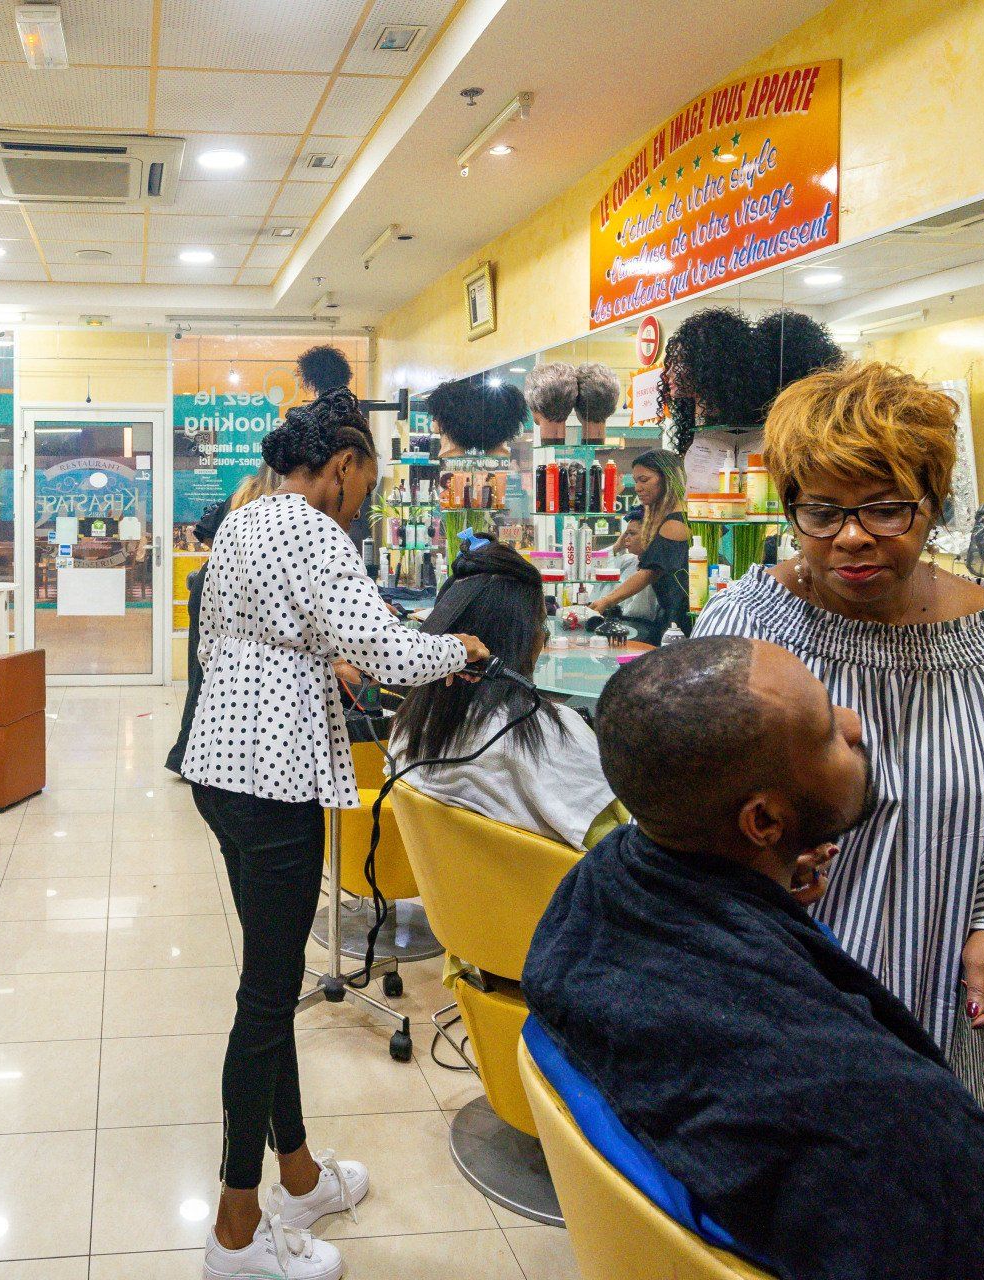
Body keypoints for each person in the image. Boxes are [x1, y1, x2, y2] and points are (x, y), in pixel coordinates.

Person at [522, 636, 984, 1280]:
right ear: (764, 822)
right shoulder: (868, 1107)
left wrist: (762, 891)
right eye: (826, 732)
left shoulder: (601, 887)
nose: (855, 725)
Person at [694, 360, 984, 1098]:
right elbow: (687, 804)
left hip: (934, 987)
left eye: (885, 510)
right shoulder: (746, 628)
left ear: (934, 504)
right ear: (790, 509)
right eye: (822, 512)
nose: (851, 537)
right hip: (776, 986)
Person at [183, 394, 488, 1280]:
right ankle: (235, 1230)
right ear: (344, 465)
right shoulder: (317, 532)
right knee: (264, 1003)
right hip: (273, 780)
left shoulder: (242, 522)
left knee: (270, 982)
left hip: (220, 769)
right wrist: (461, 650)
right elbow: (390, 652)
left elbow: (232, 643)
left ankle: (300, 1175)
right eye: (367, 486)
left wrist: (319, 658)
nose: (362, 504)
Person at [390, 543, 619, 850]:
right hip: (542, 882)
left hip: (446, 882)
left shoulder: (408, 726)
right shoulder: (548, 734)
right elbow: (623, 848)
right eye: (542, 627)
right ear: (521, 639)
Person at [165, 468, 279, 776]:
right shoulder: (280, 507)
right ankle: (204, 757)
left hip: (213, 585)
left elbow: (203, 531)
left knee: (202, 675)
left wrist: (226, 556)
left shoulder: (239, 497)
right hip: (234, 592)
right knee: (223, 677)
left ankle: (191, 755)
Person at [585, 449, 690, 643]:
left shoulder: (676, 523)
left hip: (681, 621)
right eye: (636, 481)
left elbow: (649, 573)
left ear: (667, 478)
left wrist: (607, 601)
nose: (638, 488)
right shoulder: (687, 514)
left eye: (644, 480)